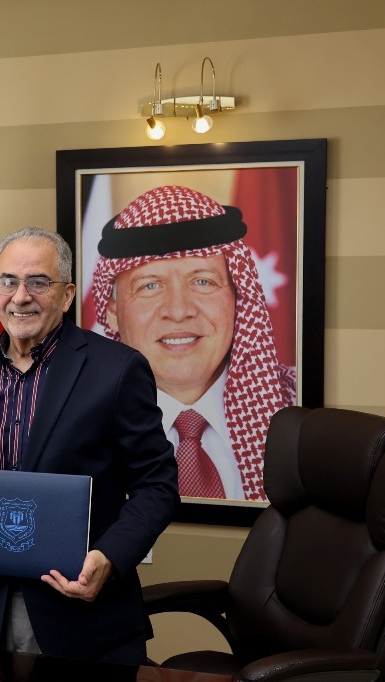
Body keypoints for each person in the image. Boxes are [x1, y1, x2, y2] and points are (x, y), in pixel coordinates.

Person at [0, 227, 178, 665]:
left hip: (85, 618)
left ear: (66, 295)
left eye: (38, 282)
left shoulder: (118, 370)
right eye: (8, 281)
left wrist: (109, 556)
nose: (21, 297)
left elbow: (157, 485)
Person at [90, 185, 295, 502]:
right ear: (112, 312)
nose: (179, 311)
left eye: (203, 281)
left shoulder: (296, 408)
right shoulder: (76, 419)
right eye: (150, 286)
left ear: (238, 297)